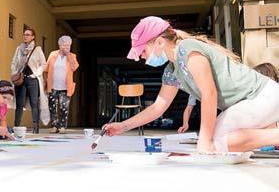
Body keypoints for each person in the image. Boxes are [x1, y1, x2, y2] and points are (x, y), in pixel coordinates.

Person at [104, 16, 279, 153]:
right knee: (216, 141)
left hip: (261, 96)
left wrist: (205, 138)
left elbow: (209, 92)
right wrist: (123, 126)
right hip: (252, 101)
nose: (142, 57)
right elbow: (157, 108)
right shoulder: (171, 71)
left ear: (159, 41)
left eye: (143, 51)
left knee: (215, 141)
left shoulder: (187, 49)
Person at [11, 28, 49, 133]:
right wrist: (15, 73)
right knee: (19, 104)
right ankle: (16, 126)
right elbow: (14, 62)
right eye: (24, 34)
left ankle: (35, 127)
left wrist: (36, 74)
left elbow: (44, 64)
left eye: (28, 34)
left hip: (33, 79)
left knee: (34, 103)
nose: (25, 36)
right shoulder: (19, 48)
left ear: (33, 37)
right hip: (21, 79)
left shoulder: (37, 49)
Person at [46, 35, 79, 134]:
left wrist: (68, 55)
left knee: (64, 107)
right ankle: (54, 126)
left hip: (65, 86)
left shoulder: (72, 56)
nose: (66, 47)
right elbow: (47, 68)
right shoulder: (53, 54)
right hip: (53, 85)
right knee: (52, 107)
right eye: (64, 45)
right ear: (59, 45)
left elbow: (74, 67)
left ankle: (62, 127)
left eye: (68, 45)